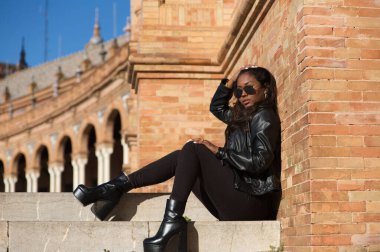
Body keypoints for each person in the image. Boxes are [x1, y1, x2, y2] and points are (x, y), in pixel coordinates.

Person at [73, 66, 282, 252]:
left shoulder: (264, 117)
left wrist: (218, 152)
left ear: (265, 90)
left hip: (254, 203)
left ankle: (167, 218)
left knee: (195, 149)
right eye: (239, 90)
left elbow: (260, 161)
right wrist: (229, 82)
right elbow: (217, 107)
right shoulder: (243, 116)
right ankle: (116, 188)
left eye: (250, 88)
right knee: (184, 155)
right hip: (240, 199)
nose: (243, 94)